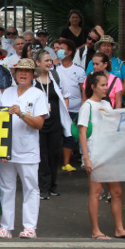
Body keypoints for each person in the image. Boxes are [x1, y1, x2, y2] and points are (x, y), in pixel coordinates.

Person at [79, 72, 125, 240]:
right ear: (93, 87)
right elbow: (82, 133)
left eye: (106, 85)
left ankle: (120, 229)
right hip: (95, 154)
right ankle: (96, 231)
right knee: (96, 192)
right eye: (102, 85)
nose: (106, 88)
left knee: (117, 191)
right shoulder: (87, 106)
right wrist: (86, 158)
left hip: (109, 154)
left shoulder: (107, 104)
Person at [0, 58, 48, 239]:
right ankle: (5, 227)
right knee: (6, 187)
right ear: (15, 74)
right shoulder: (7, 93)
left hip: (28, 150)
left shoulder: (38, 94)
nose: (23, 74)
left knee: (30, 188)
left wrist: (22, 114)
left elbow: (39, 123)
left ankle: (30, 227)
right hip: (7, 149)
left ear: (33, 74)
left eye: (27, 71)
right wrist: (0, 148)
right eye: (19, 71)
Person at [32, 49, 71, 199]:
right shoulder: (33, 82)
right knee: (42, 155)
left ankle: (53, 185)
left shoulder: (55, 77)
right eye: (46, 60)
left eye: (50, 60)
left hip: (55, 122)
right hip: (40, 123)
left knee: (54, 155)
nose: (50, 63)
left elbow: (64, 96)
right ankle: (43, 188)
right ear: (38, 63)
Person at [54, 39, 86, 172]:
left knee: (70, 135)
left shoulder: (78, 70)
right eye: (58, 48)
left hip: (74, 108)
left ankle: (67, 163)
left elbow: (83, 89)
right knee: (57, 135)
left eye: (62, 48)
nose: (59, 51)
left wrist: (83, 104)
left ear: (70, 51)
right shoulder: (54, 69)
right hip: (58, 108)